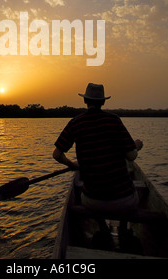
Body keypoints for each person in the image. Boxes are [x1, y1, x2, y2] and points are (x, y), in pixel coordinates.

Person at [53, 83, 143, 213]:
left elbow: (57, 154)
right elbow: (131, 156)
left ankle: (102, 228)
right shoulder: (114, 120)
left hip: (92, 201)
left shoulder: (75, 122)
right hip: (124, 200)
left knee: (90, 200)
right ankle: (122, 228)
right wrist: (136, 146)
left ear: (84, 100)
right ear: (103, 102)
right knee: (130, 199)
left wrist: (72, 165)